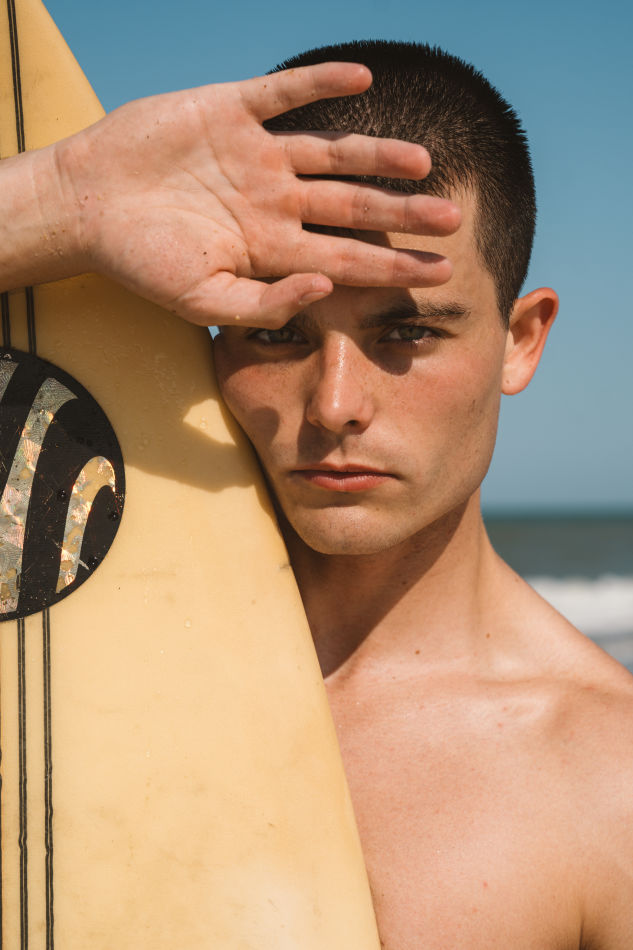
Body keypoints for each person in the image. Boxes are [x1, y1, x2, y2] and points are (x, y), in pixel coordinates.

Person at [2, 38, 633, 949]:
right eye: (276, 332)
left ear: (520, 340)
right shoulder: (59, 656)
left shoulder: (607, 783)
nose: (334, 405)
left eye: (406, 332)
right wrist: (59, 197)